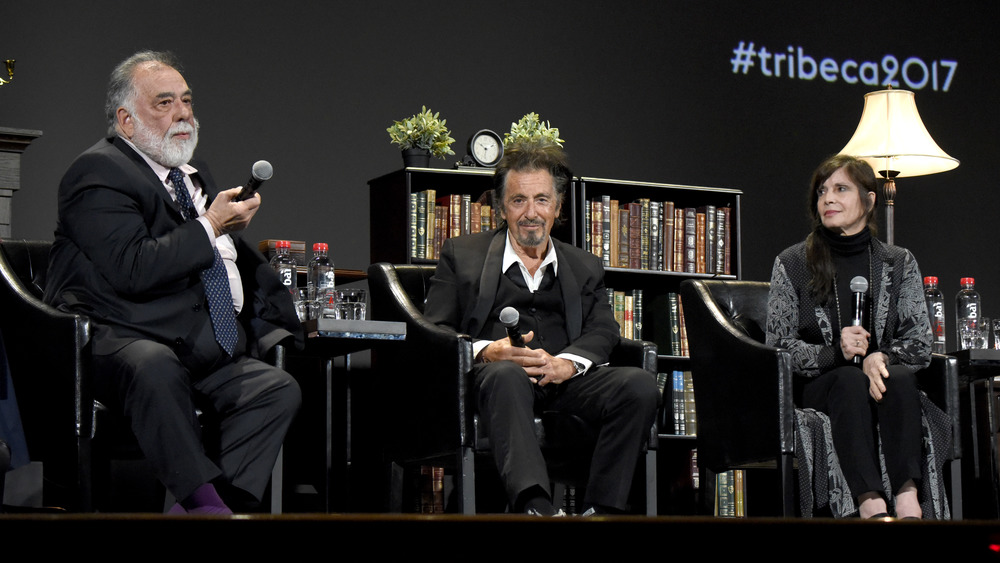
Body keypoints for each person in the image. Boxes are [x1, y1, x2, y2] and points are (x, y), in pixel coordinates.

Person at [43, 50, 303, 514]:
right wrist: (212, 226)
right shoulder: (98, 173)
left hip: (184, 338)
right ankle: (205, 504)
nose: (183, 113)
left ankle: (215, 507)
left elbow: (228, 262)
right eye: (164, 103)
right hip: (111, 336)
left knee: (275, 387)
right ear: (125, 120)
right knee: (154, 365)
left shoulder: (190, 176)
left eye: (186, 101)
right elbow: (133, 267)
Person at [422, 140, 660, 516]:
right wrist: (487, 350)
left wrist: (567, 363)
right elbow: (433, 330)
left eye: (542, 200)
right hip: (492, 383)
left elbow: (603, 330)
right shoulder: (461, 255)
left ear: (558, 207)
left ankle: (602, 511)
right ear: (502, 206)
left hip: (564, 383)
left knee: (639, 386)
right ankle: (536, 508)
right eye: (519, 200)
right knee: (506, 376)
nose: (530, 213)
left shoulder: (585, 265)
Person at [766, 154, 931, 519]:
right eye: (822, 191)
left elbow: (920, 341)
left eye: (841, 189)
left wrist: (881, 356)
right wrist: (834, 353)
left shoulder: (898, 262)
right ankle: (869, 499)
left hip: (876, 378)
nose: (828, 199)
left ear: (870, 200)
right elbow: (777, 347)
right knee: (848, 380)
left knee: (899, 377)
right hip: (822, 385)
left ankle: (907, 495)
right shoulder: (793, 262)